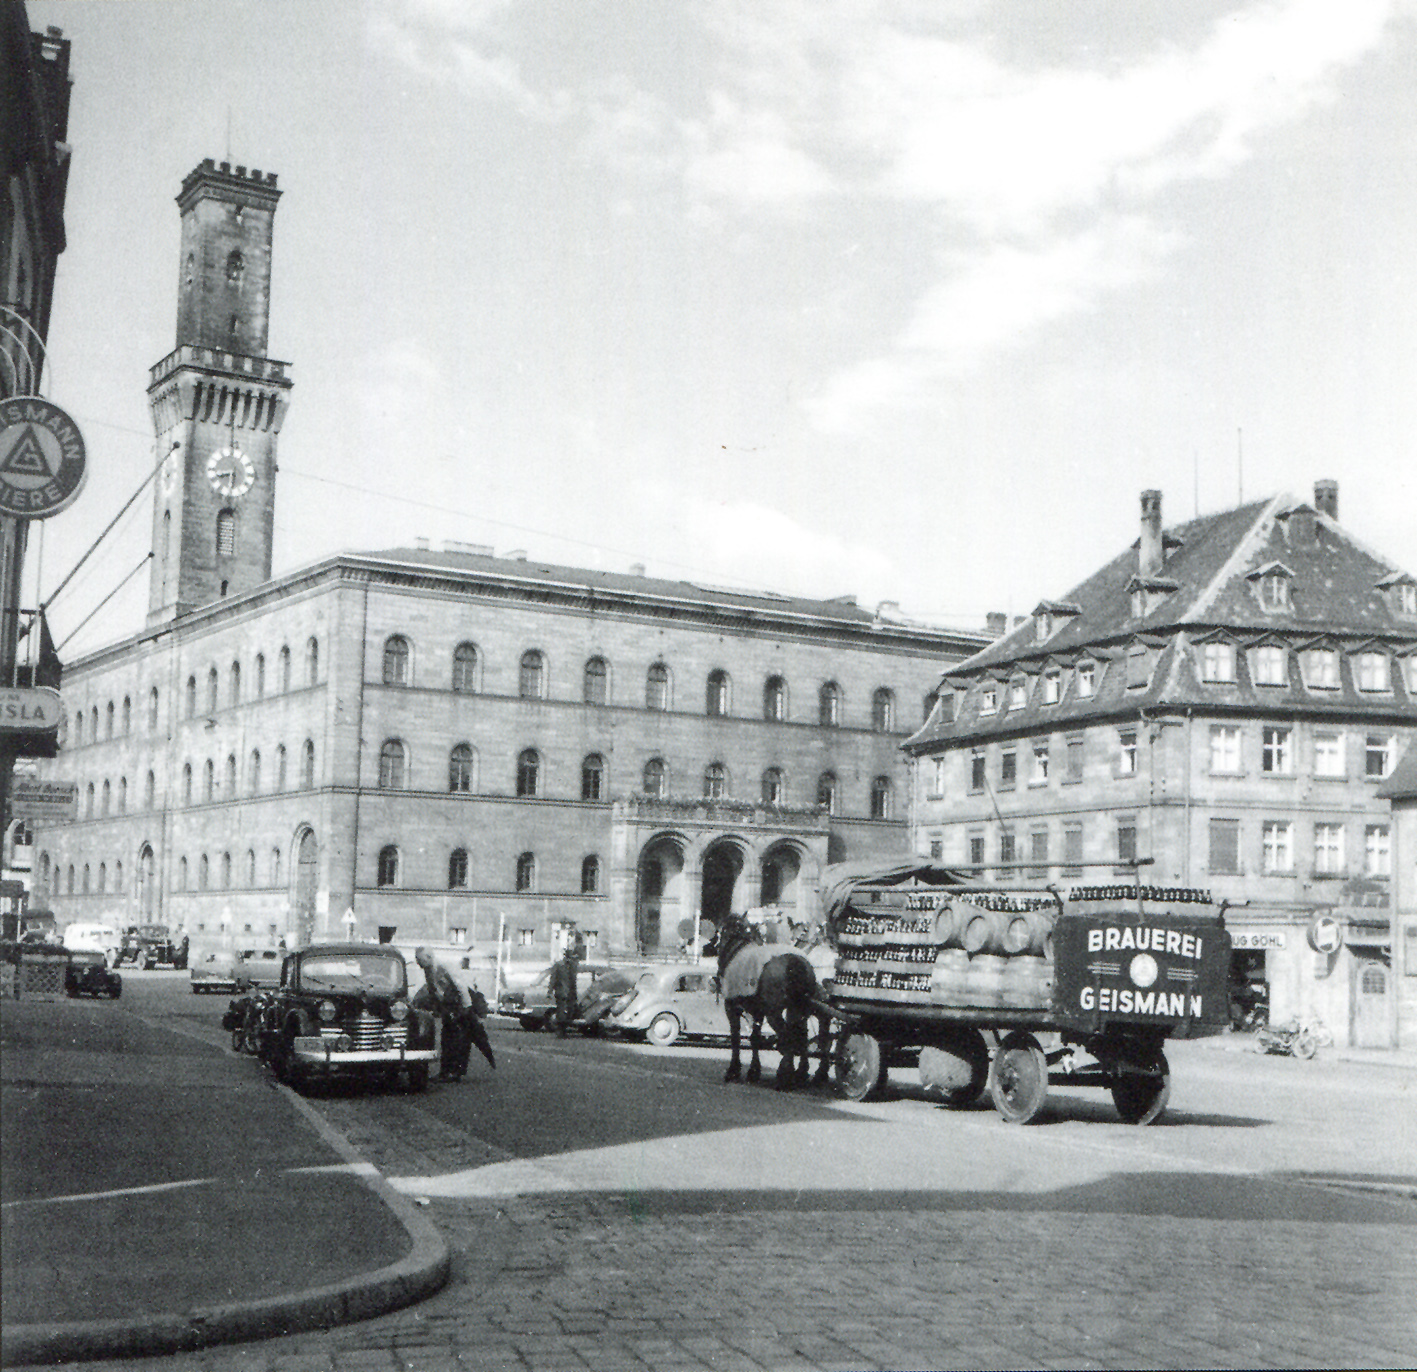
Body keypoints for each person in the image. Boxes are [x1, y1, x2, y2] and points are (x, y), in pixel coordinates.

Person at [413, 947, 495, 1079]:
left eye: (419, 960)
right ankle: (446, 1071)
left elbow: (460, 986)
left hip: (462, 1003)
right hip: (449, 1004)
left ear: (429, 957)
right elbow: (432, 989)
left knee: (463, 1038)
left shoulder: (444, 966)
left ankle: (456, 1072)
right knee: (447, 1038)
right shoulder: (428, 969)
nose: (418, 963)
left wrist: (466, 1009)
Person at [549, 944, 580, 1036]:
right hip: (561, 992)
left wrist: (575, 993)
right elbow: (553, 979)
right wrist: (549, 991)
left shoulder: (573, 966)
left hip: (571, 993)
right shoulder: (558, 965)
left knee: (570, 1011)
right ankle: (560, 1030)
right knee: (561, 1012)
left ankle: (564, 1027)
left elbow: (574, 981)